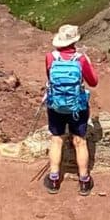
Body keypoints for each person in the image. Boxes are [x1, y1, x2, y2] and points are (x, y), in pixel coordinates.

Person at [42, 24, 99, 195]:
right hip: (77, 107)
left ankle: (53, 179)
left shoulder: (50, 57)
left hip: (56, 106)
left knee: (56, 139)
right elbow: (93, 81)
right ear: (75, 40)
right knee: (80, 141)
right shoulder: (81, 59)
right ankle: (84, 181)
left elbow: (49, 77)